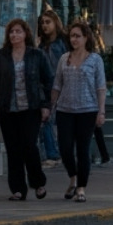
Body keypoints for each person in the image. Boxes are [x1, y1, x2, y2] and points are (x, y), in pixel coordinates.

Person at [0, 17, 53, 201]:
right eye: (11, 32)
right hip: (7, 109)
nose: (14, 35)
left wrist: (46, 105)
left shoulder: (36, 55)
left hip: (31, 107)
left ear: (25, 34)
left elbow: (48, 80)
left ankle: (38, 182)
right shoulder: (1, 56)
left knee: (29, 145)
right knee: (13, 149)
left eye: (18, 31)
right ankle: (17, 189)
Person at [50, 20, 105, 203]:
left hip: (87, 110)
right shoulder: (64, 59)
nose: (74, 39)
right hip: (65, 110)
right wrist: (51, 106)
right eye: (72, 36)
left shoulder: (95, 60)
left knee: (83, 150)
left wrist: (101, 111)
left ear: (86, 38)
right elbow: (57, 85)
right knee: (65, 148)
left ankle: (81, 188)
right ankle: (72, 177)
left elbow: (100, 87)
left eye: (77, 36)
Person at [36, 10, 68, 167]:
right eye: (42, 23)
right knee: (46, 120)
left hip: (61, 86)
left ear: (55, 23)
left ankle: (57, 153)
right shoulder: (42, 44)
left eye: (48, 22)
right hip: (45, 87)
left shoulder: (62, 42)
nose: (45, 25)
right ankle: (51, 154)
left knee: (57, 121)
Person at [87, 23, 112, 167]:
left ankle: (98, 156)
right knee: (95, 130)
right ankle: (103, 155)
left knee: (93, 129)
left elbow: (100, 83)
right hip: (90, 98)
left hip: (92, 98)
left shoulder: (94, 58)